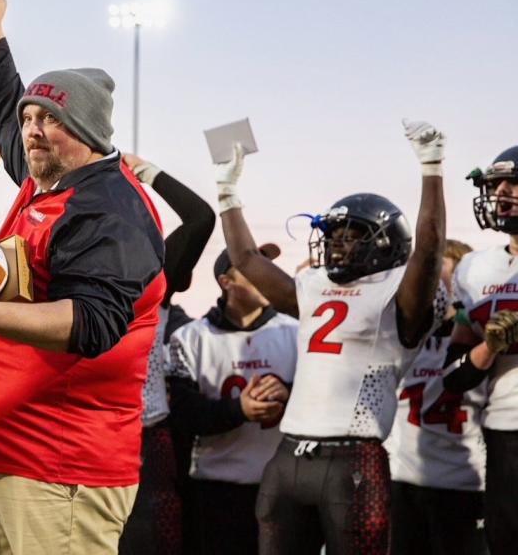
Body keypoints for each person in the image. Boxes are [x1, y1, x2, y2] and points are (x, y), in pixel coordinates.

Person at [0, 0, 166, 555]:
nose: (31, 130)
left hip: (59, 467)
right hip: (8, 454)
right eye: (29, 118)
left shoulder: (110, 207)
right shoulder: (48, 177)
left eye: (49, 120)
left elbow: (93, 323)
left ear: (85, 131)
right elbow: (4, 99)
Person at [216, 120, 446, 555]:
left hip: (353, 462)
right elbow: (244, 258)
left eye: (352, 238)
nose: (337, 247)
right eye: (333, 237)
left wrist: (431, 167)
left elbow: (429, 251)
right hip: (287, 459)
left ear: (386, 244)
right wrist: (227, 190)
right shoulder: (314, 286)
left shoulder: (399, 292)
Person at [166, 246, 298, 555]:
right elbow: (184, 415)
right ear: (226, 282)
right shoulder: (190, 338)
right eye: (253, 272)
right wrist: (238, 409)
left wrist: (290, 394)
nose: (266, 278)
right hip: (215, 489)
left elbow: (322, 401)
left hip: (283, 490)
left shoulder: (297, 333)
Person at [116, 153, 216, 555]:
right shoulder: (67, 267)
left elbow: (200, 219)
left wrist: (147, 172)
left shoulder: (151, 275)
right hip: (87, 432)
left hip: (146, 434)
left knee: (156, 539)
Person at [385, 238, 487, 555]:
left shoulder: (483, 340)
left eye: (437, 273)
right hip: (403, 481)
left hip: (464, 483)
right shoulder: (399, 338)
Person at [443, 145, 518, 555]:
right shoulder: (474, 269)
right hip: (505, 432)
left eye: (513, 182)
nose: (502, 192)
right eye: (495, 184)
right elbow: (453, 374)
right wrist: (489, 347)